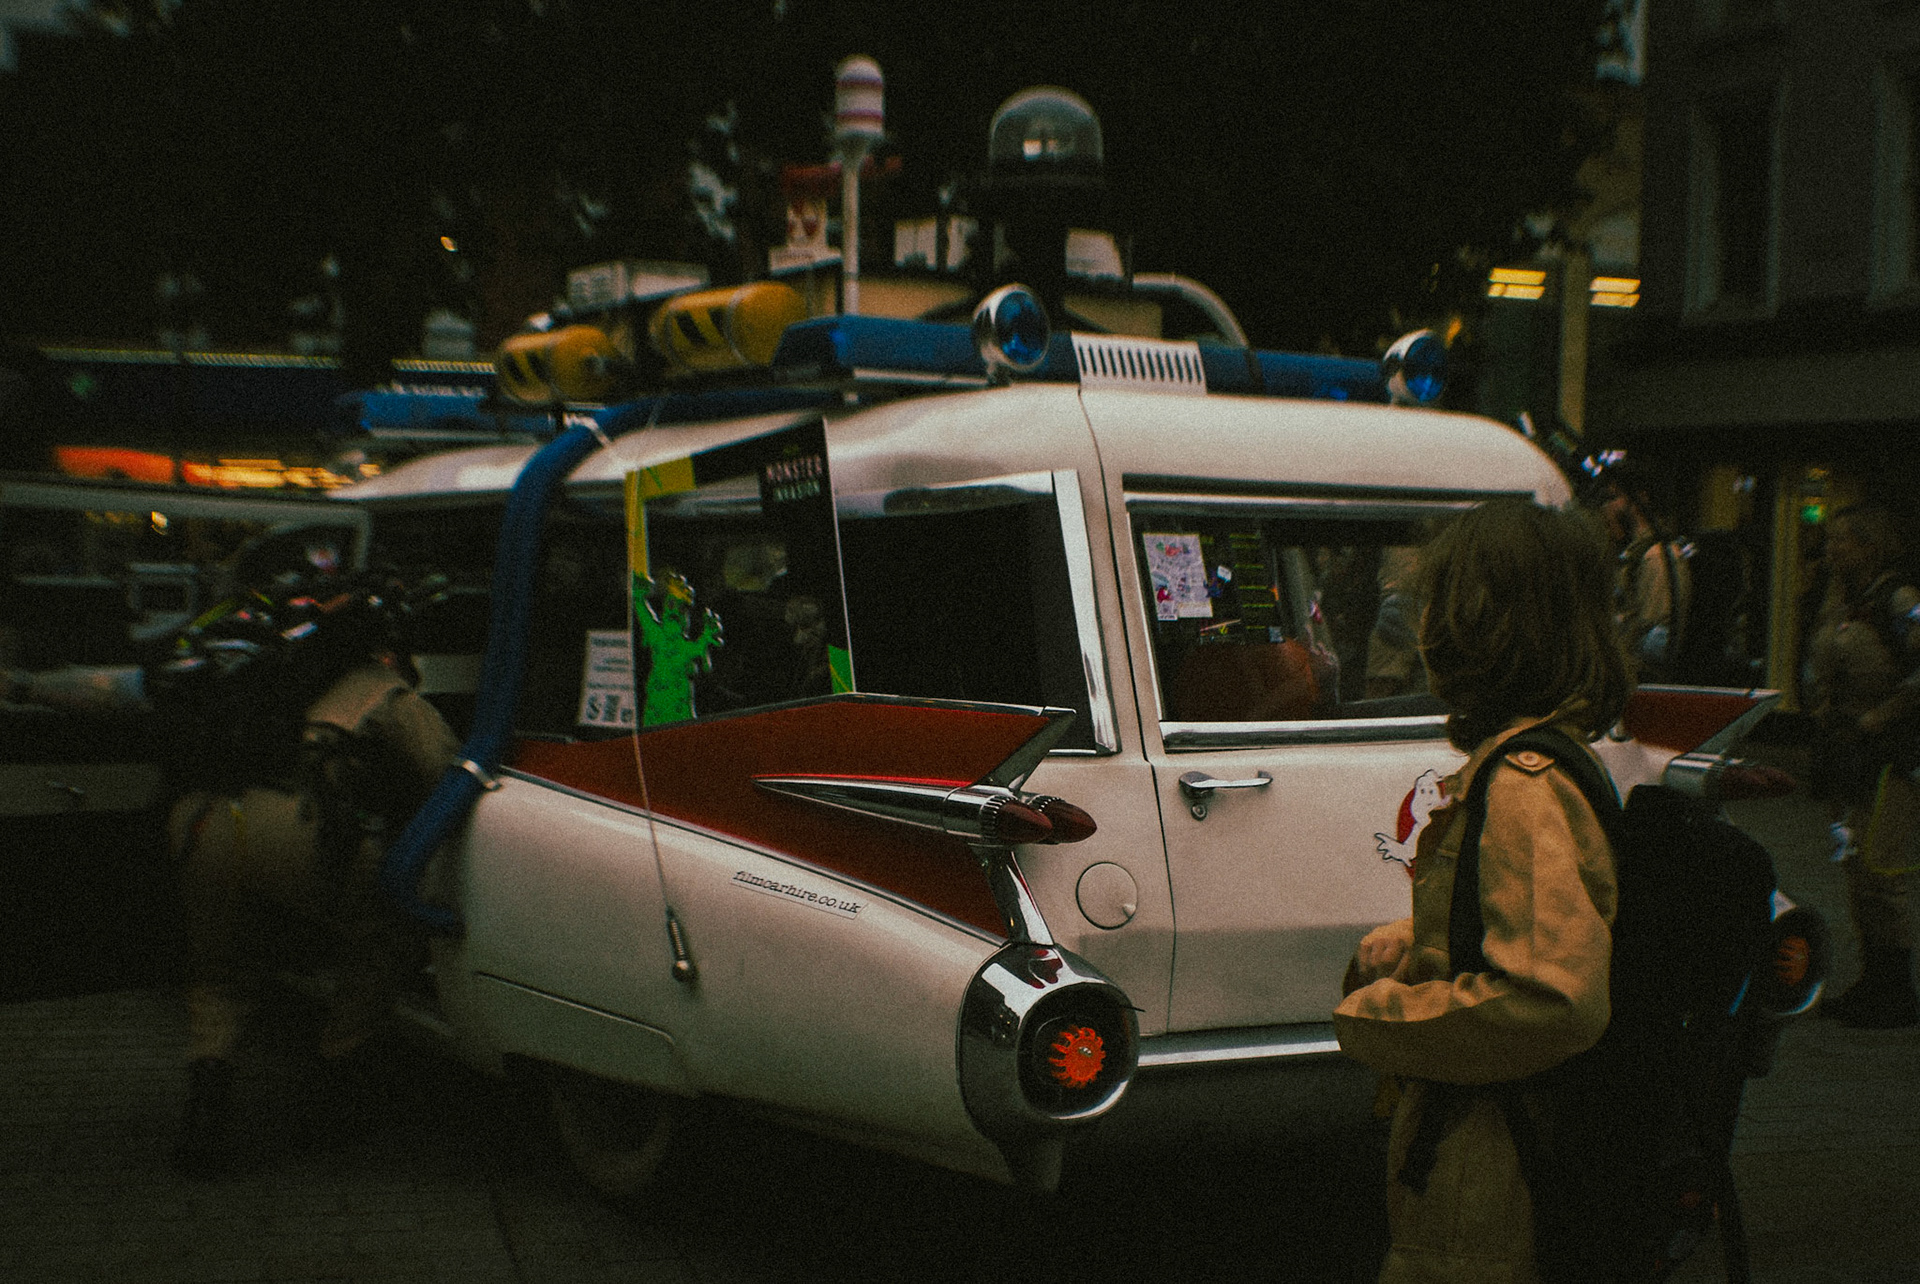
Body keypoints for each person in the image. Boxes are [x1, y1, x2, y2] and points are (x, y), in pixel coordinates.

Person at [6, 572, 461, 1171]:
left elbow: (112, 689)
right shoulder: (385, 692)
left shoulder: (238, 673)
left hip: (205, 823)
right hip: (300, 830)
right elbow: (448, 776)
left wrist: (24, 683)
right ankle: (334, 1089)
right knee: (384, 940)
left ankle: (208, 1111)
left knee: (217, 973)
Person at [1333, 497, 1631, 1282]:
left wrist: (1380, 1017)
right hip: (1482, 1155)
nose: (1420, 619)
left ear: (1479, 623)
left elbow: (1552, 998)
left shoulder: (1524, 785)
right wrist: (1423, 943)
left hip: (1489, 1175)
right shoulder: (1531, 760)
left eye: (1436, 599)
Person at [1803, 503, 1920, 1028]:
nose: (1830, 551)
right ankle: (1873, 979)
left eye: (1841, 541)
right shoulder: (1838, 599)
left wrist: (1877, 719)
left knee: (1882, 868)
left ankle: (1896, 988)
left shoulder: (1900, 600)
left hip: (1890, 755)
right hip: (1845, 752)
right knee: (1850, 861)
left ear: (1870, 544)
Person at [1600, 463, 1692, 683]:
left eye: (1614, 498)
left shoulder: (1658, 556)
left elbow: (1654, 633)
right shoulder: (1634, 553)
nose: (1607, 508)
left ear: (1640, 500)